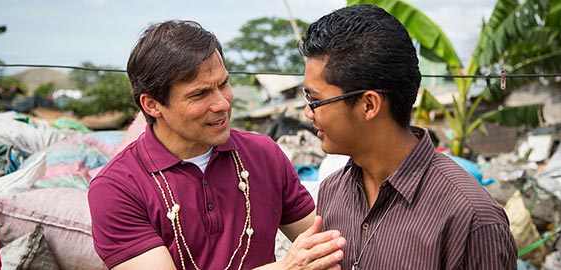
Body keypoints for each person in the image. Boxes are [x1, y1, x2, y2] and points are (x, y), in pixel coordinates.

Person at [88, 20, 345, 270]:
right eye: (199, 94)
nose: (222, 103)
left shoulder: (263, 154)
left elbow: (326, 244)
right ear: (152, 105)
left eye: (223, 84)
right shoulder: (117, 188)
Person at [300, 4, 518, 269]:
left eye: (314, 100)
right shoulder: (333, 191)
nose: (307, 113)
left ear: (369, 105)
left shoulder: (471, 218)